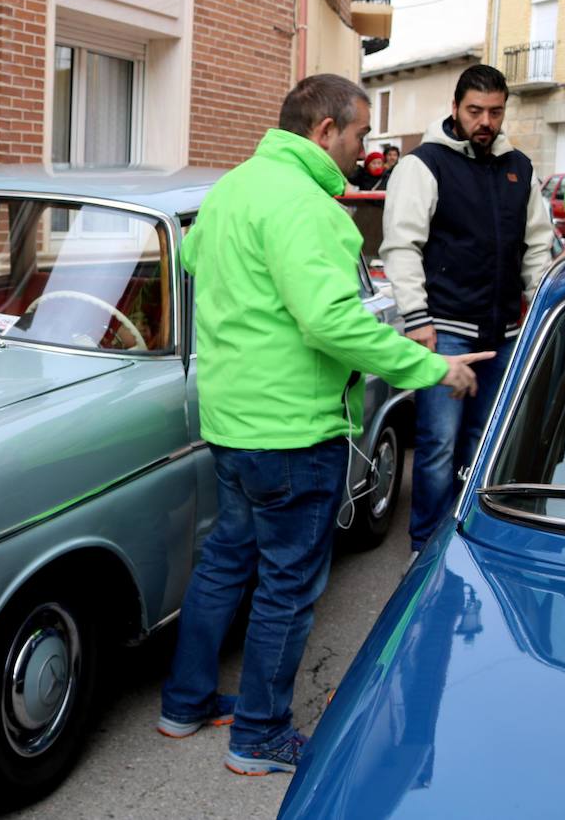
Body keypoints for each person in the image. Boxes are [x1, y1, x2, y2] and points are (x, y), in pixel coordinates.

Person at [158, 74, 492, 776]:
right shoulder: (307, 207)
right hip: (290, 432)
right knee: (287, 585)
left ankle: (185, 704)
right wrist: (435, 369)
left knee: (225, 562)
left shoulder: (232, 191)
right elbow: (330, 320)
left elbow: (194, 264)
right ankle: (260, 737)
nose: (360, 150)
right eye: (359, 136)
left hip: (230, 420)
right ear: (324, 132)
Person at [381, 64, 554, 554]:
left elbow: (537, 248)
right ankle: (424, 548)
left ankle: (464, 543)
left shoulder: (519, 167)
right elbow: (401, 246)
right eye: (475, 110)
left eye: (495, 112)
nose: (485, 121)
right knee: (437, 446)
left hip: (504, 333)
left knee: (484, 444)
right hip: (445, 331)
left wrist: (540, 312)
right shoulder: (423, 164)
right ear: (455, 107)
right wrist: (416, 320)